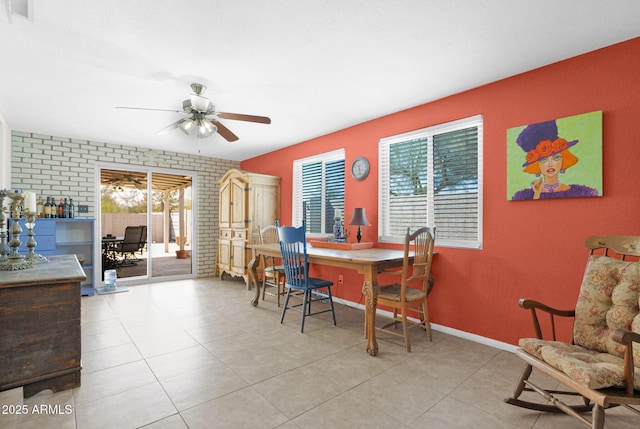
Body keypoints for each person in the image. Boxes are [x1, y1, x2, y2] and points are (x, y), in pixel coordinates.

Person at [511, 120, 598, 200]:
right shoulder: (524, 196)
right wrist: (536, 194)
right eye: (543, 160)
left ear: (564, 159)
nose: (550, 164)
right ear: (537, 164)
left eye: (556, 158)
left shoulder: (582, 193)